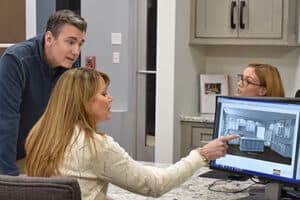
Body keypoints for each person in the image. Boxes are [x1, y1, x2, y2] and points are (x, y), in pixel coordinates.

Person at [25, 67, 239, 200]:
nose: (110, 98)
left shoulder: (40, 135)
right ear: (84, 101)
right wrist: (201, 155)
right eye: (104, 93)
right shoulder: (96, 146)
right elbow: (155, 185)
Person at [0, 9, 87, 175]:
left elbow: (70, 115)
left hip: (32, 152)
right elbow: (6, 121)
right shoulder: (16, 60)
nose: (76, 51)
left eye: (80, 44)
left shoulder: (69, 64)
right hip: (5, 152)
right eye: (70, 42)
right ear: (49, 38)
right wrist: (11, 176)